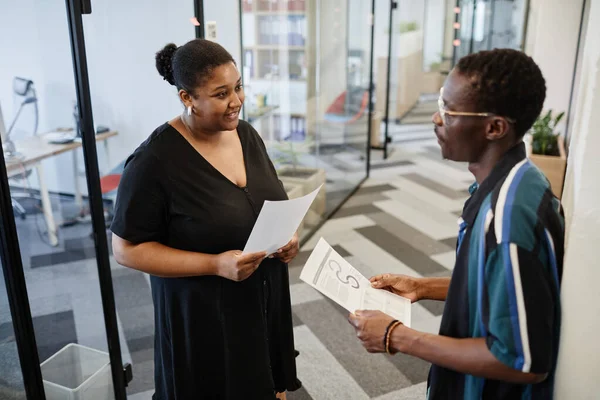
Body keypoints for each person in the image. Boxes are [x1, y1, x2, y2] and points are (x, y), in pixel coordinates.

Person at [348, 48, 564, 399]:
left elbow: (523, 361)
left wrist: (397, 336)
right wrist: (423, 287)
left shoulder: (508, 218)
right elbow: (497, 286)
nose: (436, 118)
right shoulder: (516, 180)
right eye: (440, 104)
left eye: (449, 111)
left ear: (494, 127)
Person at [110, 39, 302, 400]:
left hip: (261, 296)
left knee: (263, 384)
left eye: (239, 87)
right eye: (221, 94)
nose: (237, 101)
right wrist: (214, 264)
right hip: (203, 310)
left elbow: (270, 200)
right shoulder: (154, 161)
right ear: (187, 98)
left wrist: (287, 237)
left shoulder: (245, 134)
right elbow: (126, 250)